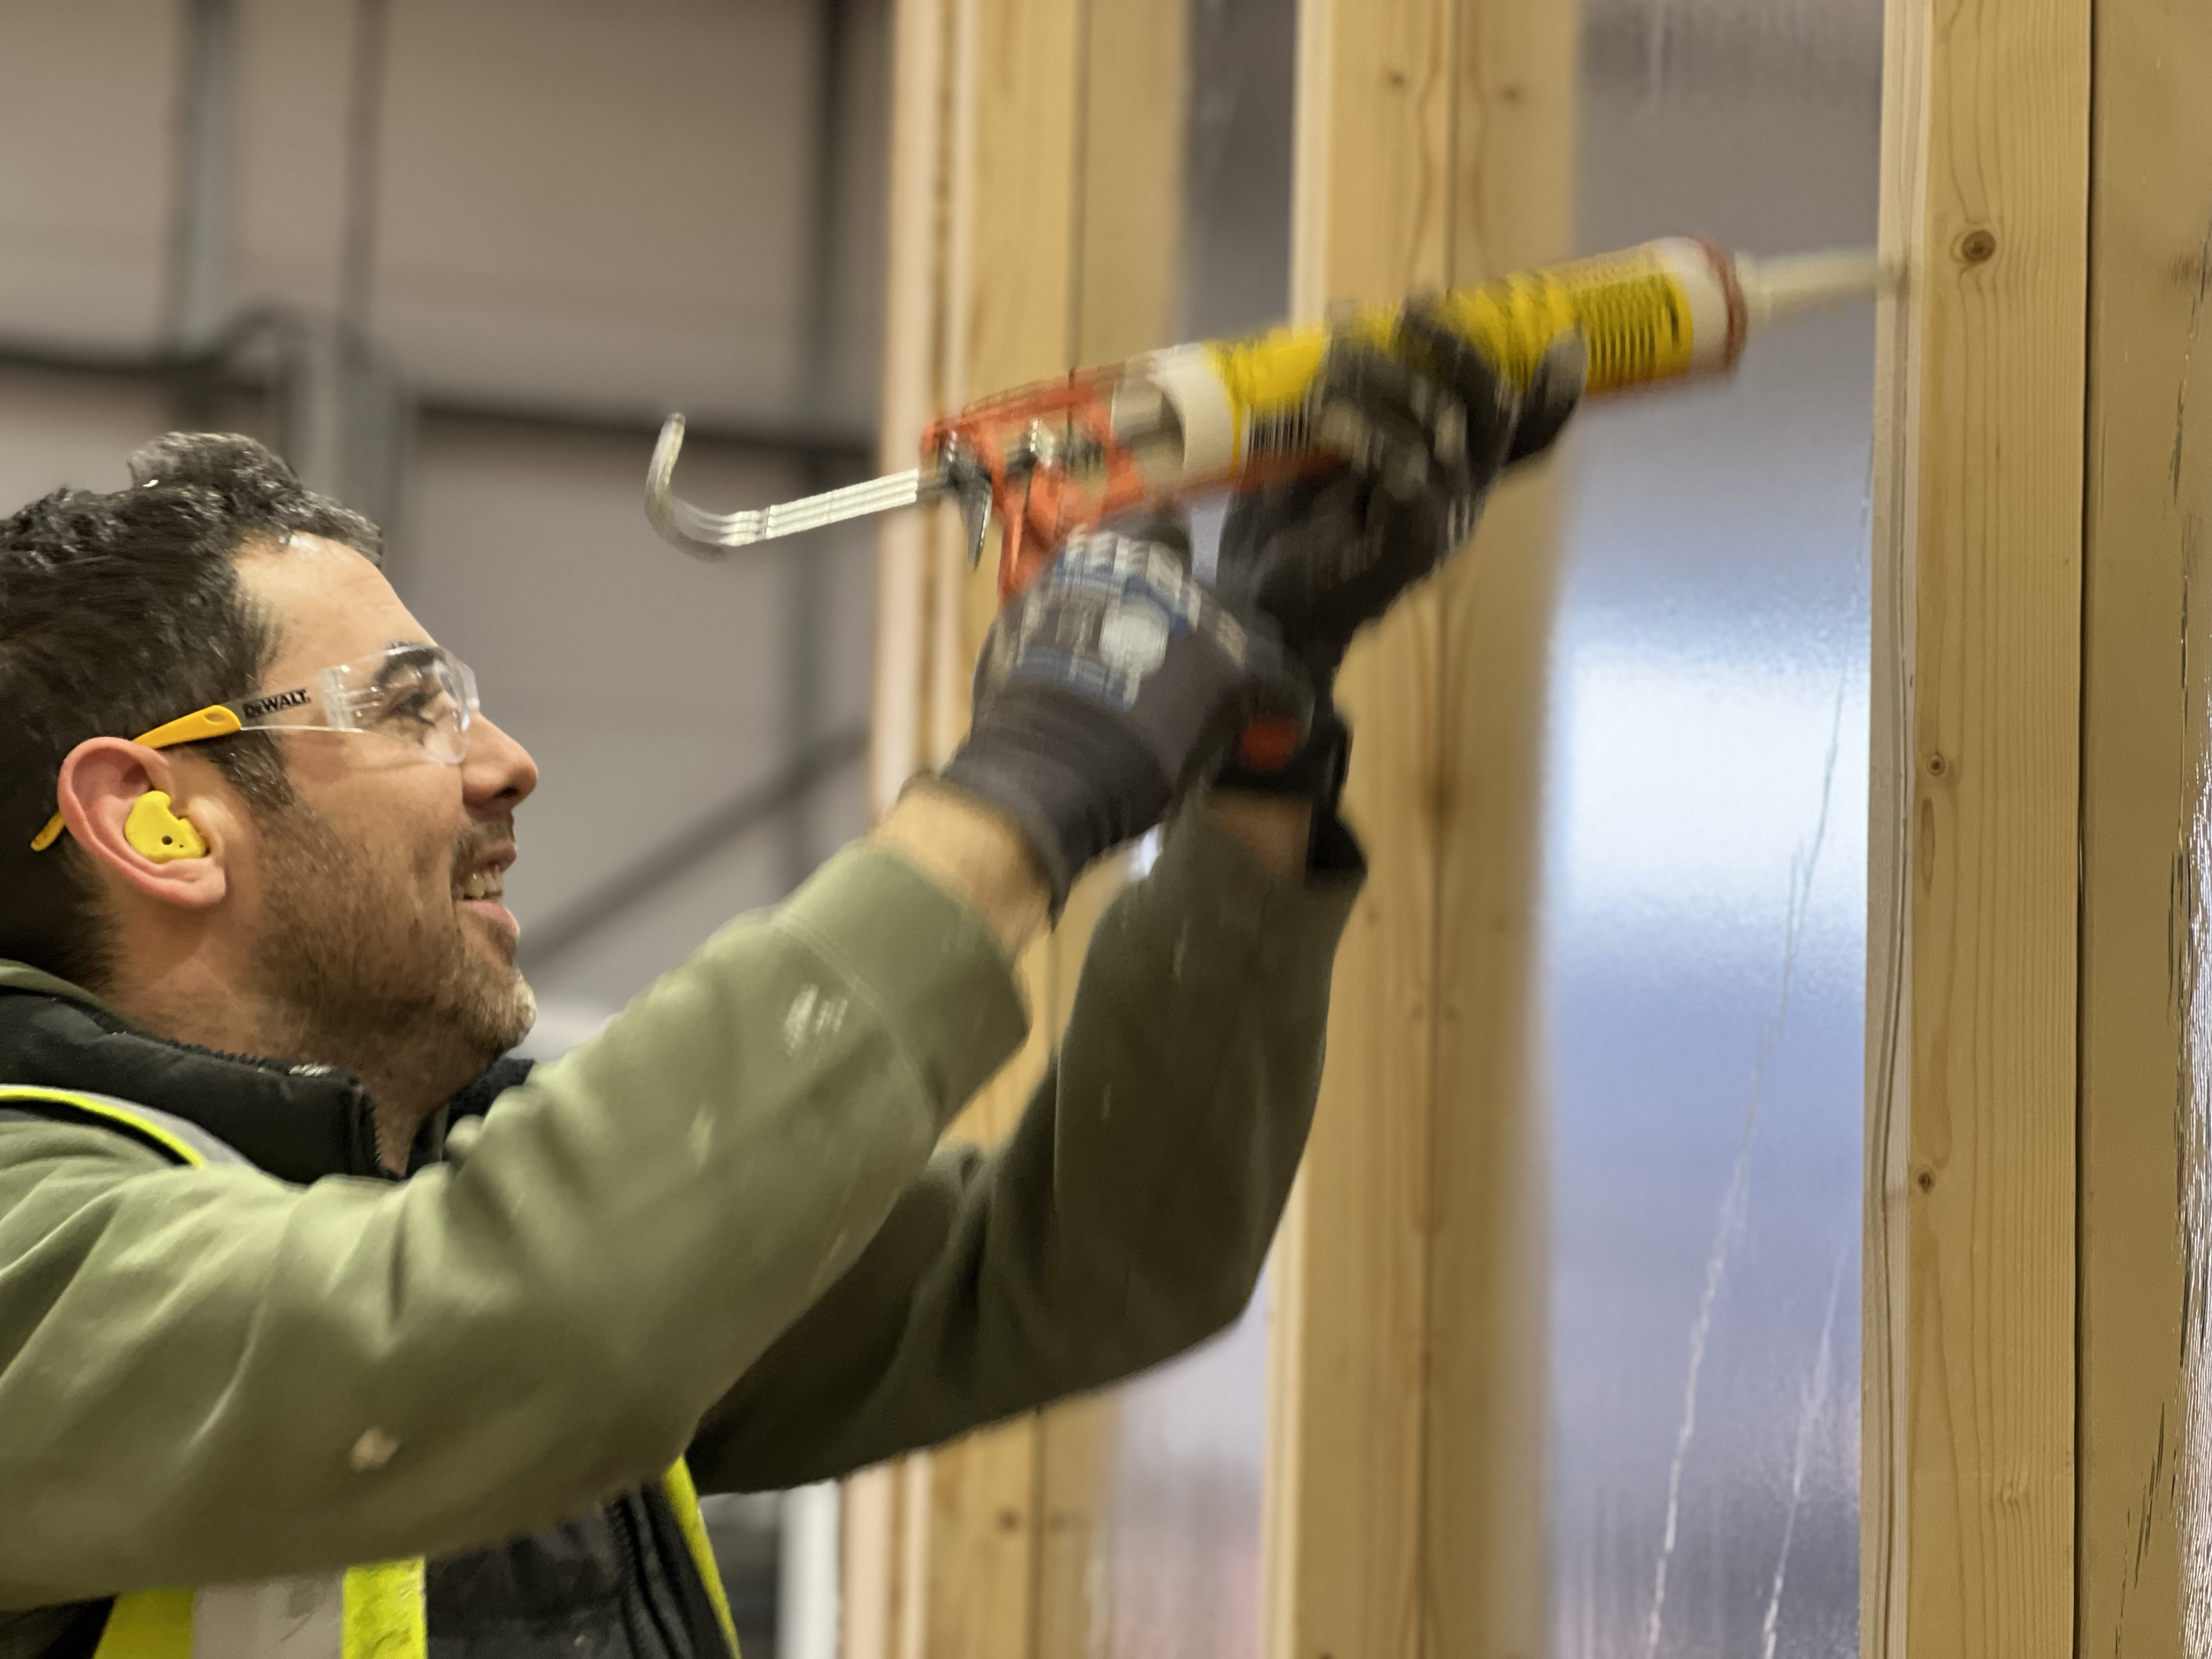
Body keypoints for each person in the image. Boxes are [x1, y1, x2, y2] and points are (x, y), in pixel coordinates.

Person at [0, 318, 1578, 1657]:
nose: (506, 760)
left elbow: (1097, 1252)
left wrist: (1256, 729)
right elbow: (493, 1320)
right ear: (156, 815)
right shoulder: (33, 1255)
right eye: (414, 708)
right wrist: (1032, 780)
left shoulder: (452, 1192)